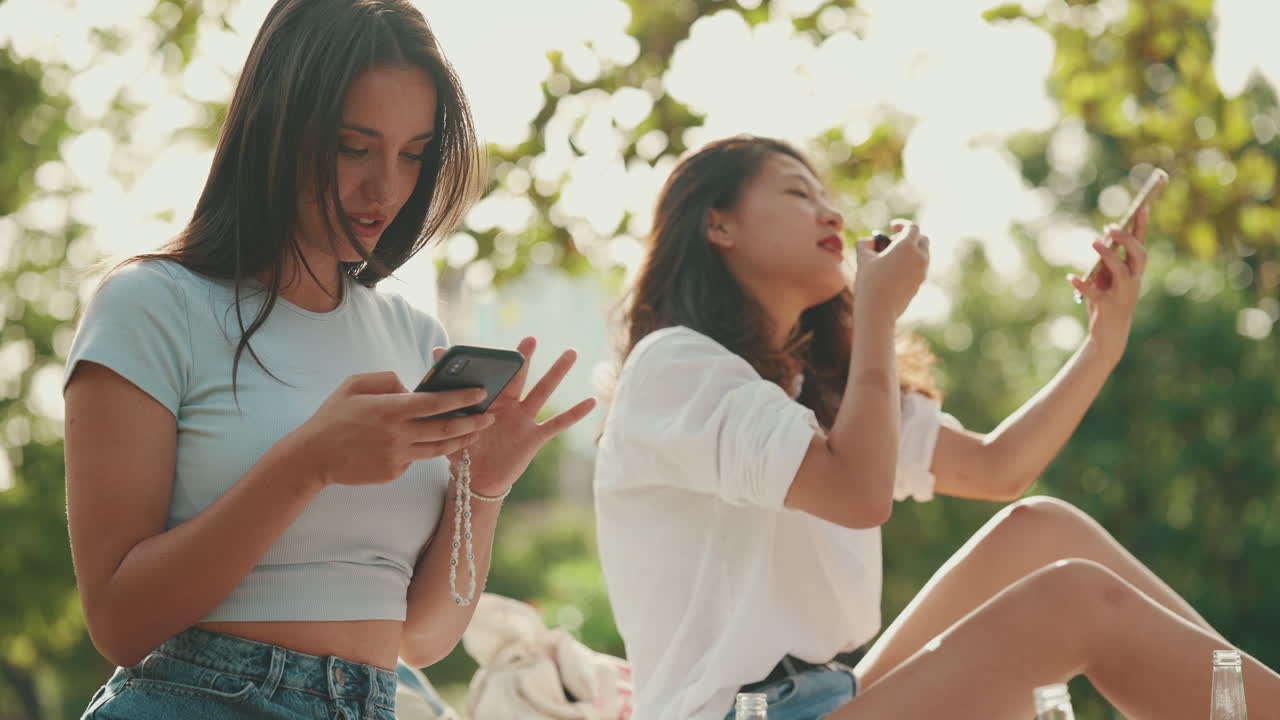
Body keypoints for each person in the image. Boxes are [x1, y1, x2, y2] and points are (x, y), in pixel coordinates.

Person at [592, 134, 1280, 720]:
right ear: (719, 225)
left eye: (828, 196)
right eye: (799, 195)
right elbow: (858, 494)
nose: (829, 210)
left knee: (1043, 531)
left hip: (837, 694)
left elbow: (998, 468)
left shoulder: (827, 390)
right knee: (1071, 601)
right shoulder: (674, 370)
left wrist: (1103, 343)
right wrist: (881, 319)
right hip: (737, 713)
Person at [64, 1, 595, 718]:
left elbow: (423, 637)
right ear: (277, 128)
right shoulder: (152, 306)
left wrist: (482, 486)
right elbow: (118, 622)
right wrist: (307, 461)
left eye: (413, 154)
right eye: (353, 147)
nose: (387, 188)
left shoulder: (412, 333)